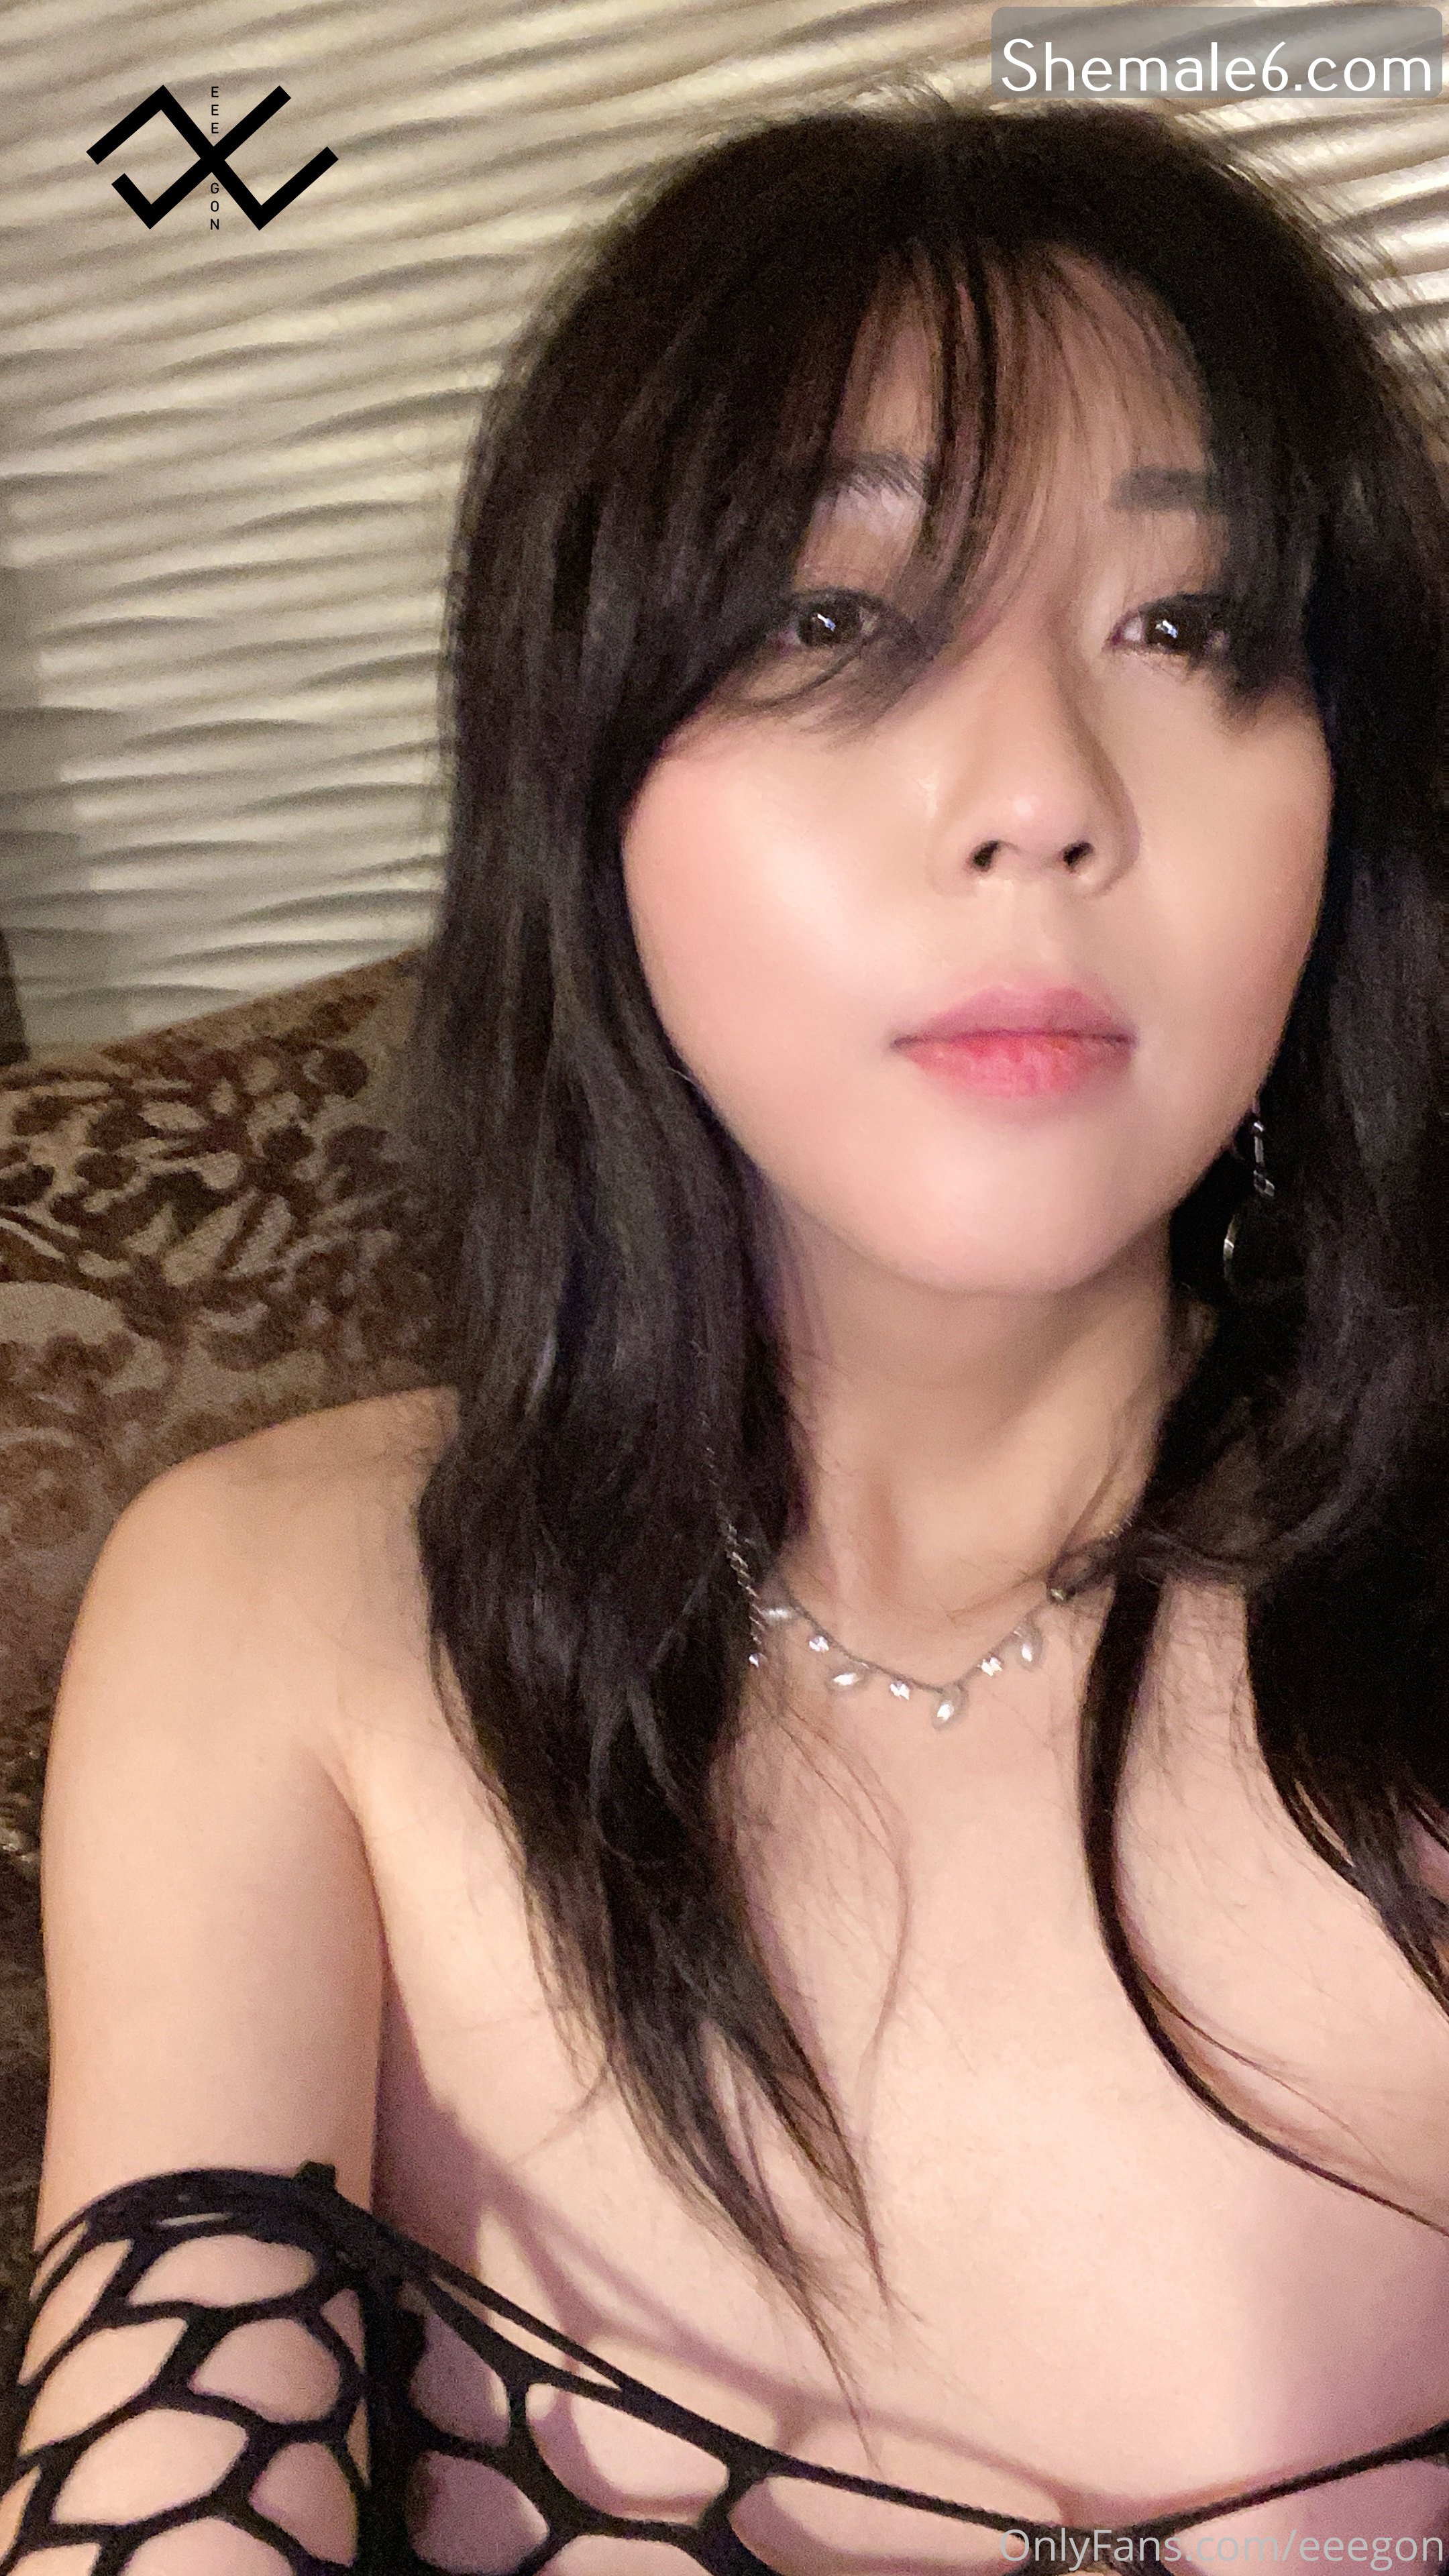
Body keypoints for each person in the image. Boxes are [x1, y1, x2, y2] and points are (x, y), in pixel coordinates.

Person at [6, 83, 1449, 2576]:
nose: (1038, 795)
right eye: (828, 619)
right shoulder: (279, 1614)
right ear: (582, 782)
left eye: (1190, 629)